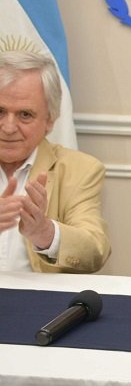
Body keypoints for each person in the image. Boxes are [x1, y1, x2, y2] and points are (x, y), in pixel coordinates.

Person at [0, 50, 111, 273]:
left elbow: (95, 251)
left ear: (49, 120)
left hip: (34, 295)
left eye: (25, 115)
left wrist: (43, 231)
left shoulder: (79, 169)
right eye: (0, 111)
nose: (9, 127)